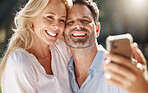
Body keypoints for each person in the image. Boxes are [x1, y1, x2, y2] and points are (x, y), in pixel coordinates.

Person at [63, 0, 148, 93]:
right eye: (70, 22)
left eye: (85, 20)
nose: (78, 25)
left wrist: (143, 88)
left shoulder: (119, 70)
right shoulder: (62, 71)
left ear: (97, 29)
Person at [0, 0, 73, 93]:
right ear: (32, 18)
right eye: (49, 17)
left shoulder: (62, 49)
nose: (57, 26)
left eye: (62, 20)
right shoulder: (20, 63)